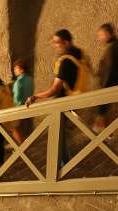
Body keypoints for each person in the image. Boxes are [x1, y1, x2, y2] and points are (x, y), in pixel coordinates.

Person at [26, 29, 92, 165]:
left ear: (66, 42)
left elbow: (55, 89)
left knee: (58, 136)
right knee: (66, 135)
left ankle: (64, 165)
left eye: (57, 42)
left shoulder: (65, 61)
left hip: (64, 103)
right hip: (78, 100)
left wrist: (36, 96)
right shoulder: (81, 55)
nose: (55, 45)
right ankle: (68, 162)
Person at [94, 23, 118, 132]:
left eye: (101, 35)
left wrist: (104, 89)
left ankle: (100, 136)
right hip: (116, 85)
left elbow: (109, 70)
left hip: (109, 87)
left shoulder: (113, 48)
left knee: (103, 113)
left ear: (108, 34)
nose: (100, 38)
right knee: (108, 114)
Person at [12, 59, 34, 137]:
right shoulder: (30, 79)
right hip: (29, 108)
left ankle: (20, 148)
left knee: (18, 130)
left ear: (21, 69)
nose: (14, 70)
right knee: (26, 130)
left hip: (20, 109)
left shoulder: (18, 82)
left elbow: (17, 99)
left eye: (16, 68)